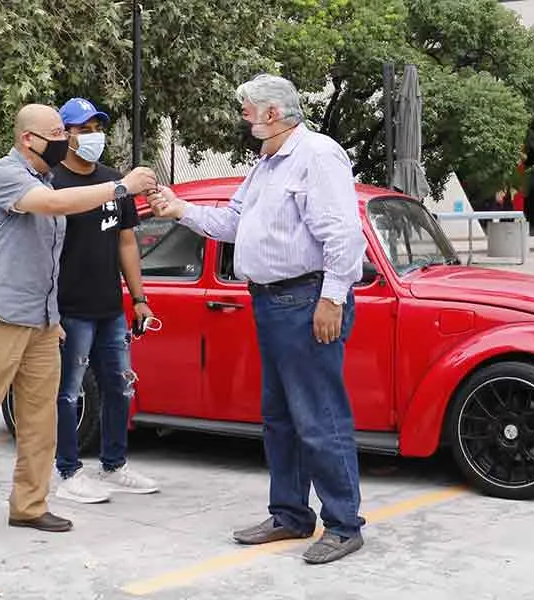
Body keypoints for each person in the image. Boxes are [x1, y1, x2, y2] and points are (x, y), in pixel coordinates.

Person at [146, 74, 368, 564]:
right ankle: (290, 514)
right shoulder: (266, 163)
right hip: (271, 302)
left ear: (273, 113)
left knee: (319, 416)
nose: (243, 115)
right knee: (280, 418)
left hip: (306, 299)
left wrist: (332, 299)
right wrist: (179, 208)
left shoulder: (318, 155)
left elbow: (344, 235)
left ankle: (343, 523)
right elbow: (232, 222)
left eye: (248, 107)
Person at [0, 103, 157, 542]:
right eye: (58, 131)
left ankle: (29, 504)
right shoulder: (4, 175)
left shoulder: (45, 177)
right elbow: (52, 204)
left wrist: (54, 315)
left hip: (43, 320)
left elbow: (49, 259)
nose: (66, 139)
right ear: (29, 138)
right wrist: (121, 186)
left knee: (40, 416)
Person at [50, 97, 159, 503]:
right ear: (65, 135)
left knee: (120, 386)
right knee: (69, 393)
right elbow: (41, 250)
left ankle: (114, 464)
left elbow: (126, 242)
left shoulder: (116, 182)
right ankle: (69, 472)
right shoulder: (53, 183)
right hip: (70, 309)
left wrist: (140, 298)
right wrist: (50, 311)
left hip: (110, 308)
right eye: (83, 129)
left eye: (97, 128)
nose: (93, 136)